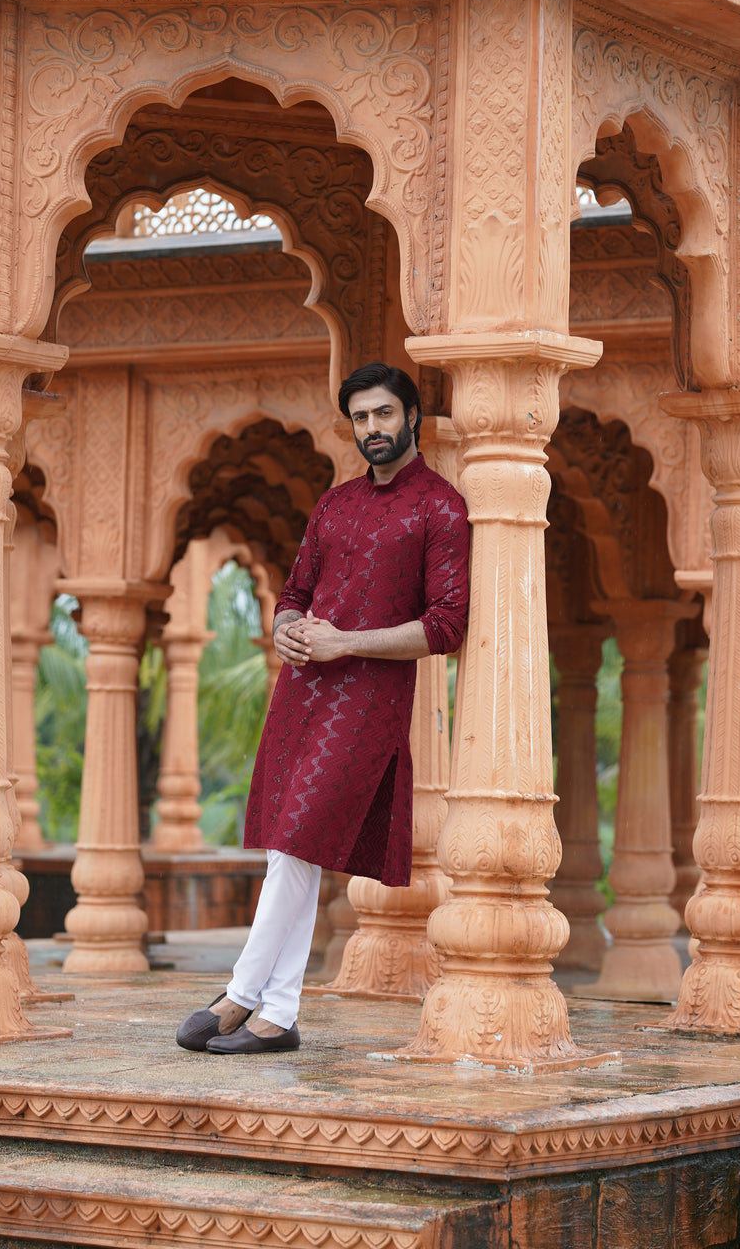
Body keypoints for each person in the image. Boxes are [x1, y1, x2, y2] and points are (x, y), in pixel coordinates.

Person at [176, 362, 470, 1055]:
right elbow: (295, 591)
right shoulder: (335, 504)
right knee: (288, 845)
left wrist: (347, 644)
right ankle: (276, 1014)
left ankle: (242, 995)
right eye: (362, 418)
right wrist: (286, 630)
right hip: (304, 691)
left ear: (412, 417)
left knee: (302, 835)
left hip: (368, 699)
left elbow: (446, 625)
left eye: (384, 415)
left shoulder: (441, 506)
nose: (373, 429)